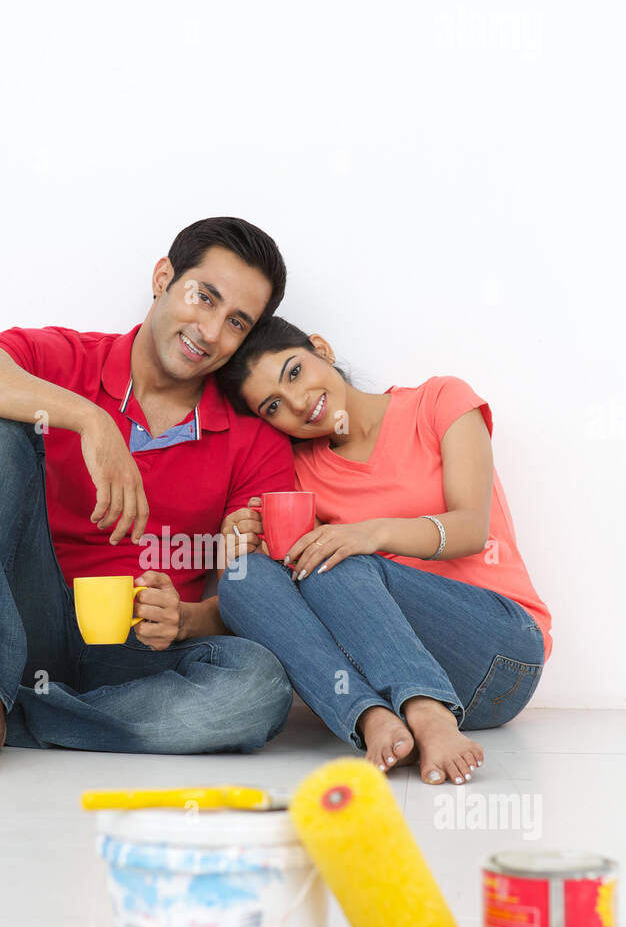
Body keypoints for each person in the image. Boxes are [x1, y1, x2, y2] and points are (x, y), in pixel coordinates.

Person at [0, 217, 297, 772]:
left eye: (236, 322)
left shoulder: (254, 436)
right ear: (163, 278)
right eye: (203, 297)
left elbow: (261, 599)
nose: (209, 331)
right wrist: (90, 420)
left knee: (258, 689)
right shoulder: (69, 360)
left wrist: (188, 617)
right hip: (30, 623)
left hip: (144, 657)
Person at [216, 316, 552, 787]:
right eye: (273, 406)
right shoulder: (297, 474)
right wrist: (245, 536)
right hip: (383, 675)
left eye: (294, 372)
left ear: (321, 348)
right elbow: (286, 599)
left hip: (499, 655)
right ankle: (371, 717)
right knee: (242, 576)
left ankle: (428, 712)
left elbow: (472, 529)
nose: (297, 403)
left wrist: (366, 533)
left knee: (336, 557)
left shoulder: (439, 401)